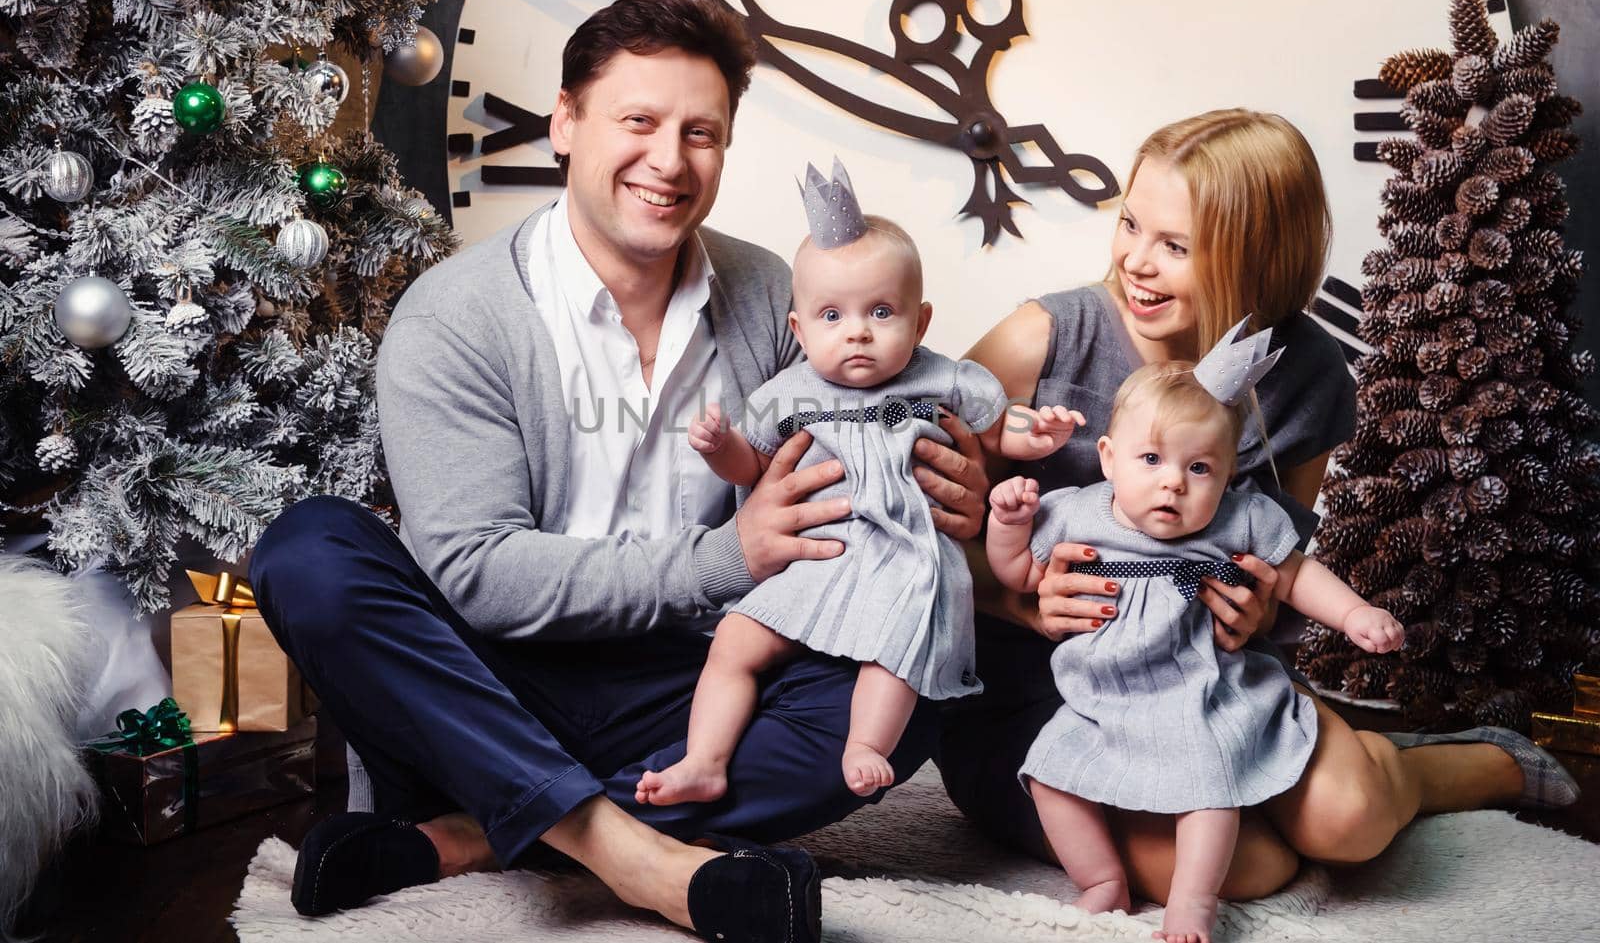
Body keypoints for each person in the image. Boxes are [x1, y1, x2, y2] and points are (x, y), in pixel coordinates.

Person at [247, 0, 989, 943]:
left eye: (702, 132)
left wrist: (946, 490)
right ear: (565, 123)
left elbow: (856, 453)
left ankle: (470, 835)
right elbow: (478, 574)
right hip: (490, 685)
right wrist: (727, 558)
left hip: (696, 687)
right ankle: (638, 857)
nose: (670, 161)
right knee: (309, 550)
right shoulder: (458, 314)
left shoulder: (776, 295)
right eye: (637, 121)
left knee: (909, 682)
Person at [940, 108, 1578, 905]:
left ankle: (1441, 765)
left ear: (1255, 255)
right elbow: (907, 518)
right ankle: (1333, 768)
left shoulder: (1307, 373)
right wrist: (1015, 596)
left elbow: (1278, 560)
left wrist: (1256, 609)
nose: (1136, 261)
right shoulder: (1042, 340)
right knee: (1248, 867)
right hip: (1044, 689)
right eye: (1132, 224)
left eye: (1175, 246)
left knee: (1351, 819)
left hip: (1210, 677)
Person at [636, 161, 1081, 806]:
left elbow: (992, 425)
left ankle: (866, 742)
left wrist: (1030, 435)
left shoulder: (940, 378)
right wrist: (722, 448)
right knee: (734, 641)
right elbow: (754, 469)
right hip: (820, 558)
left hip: (904, 561)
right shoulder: (789, 392)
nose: (858, 332)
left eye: (880, 311)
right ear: (799, 329)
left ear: (921, 322)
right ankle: (704, 759)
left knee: (893, 652)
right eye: (832, 316)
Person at [987, 350, 1405, 943]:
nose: (1172, 482)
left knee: (1208, 784)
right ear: (1108, 458)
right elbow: (1018, 576)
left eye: (1200, 468)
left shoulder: (1239, 519)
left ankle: (1193, 901)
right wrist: (1008, 523)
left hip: (1199, 694)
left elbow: (1294, 574)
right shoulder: (1077, 513)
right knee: (1050, 776)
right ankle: (1102, 879)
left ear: (1230, 472)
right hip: (1100, 700)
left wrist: (1354, 613)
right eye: (1151, 459)